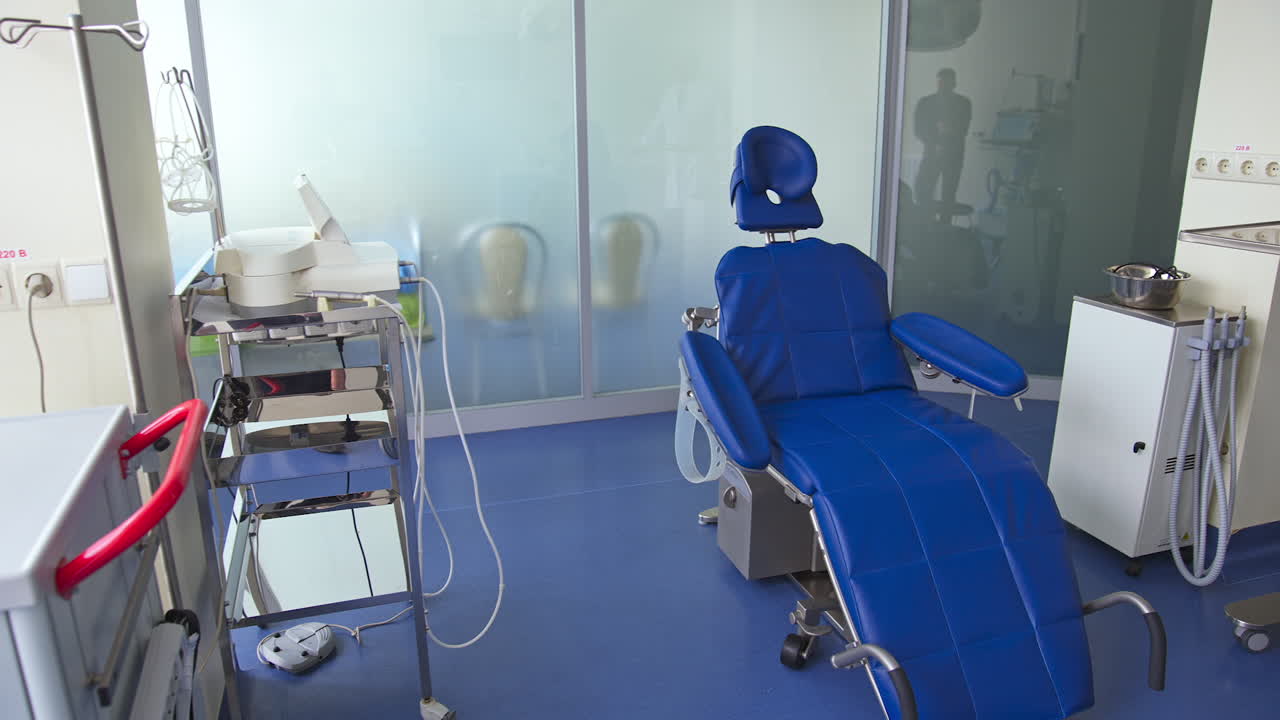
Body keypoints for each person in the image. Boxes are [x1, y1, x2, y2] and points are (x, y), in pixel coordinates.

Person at [914, 68, 971, 222]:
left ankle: (944, 229)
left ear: (954, 83)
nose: (944, 85)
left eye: (947, 82)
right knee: (923, 189)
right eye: (941, 82)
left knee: (948, 195)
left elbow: (962, 129)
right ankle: (927, 223)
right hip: (933, 154)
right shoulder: (925, 103)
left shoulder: (964, 103)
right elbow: (918, 130)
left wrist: (942, 135)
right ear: (937, 82)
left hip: (953, 156)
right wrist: (936, 141)